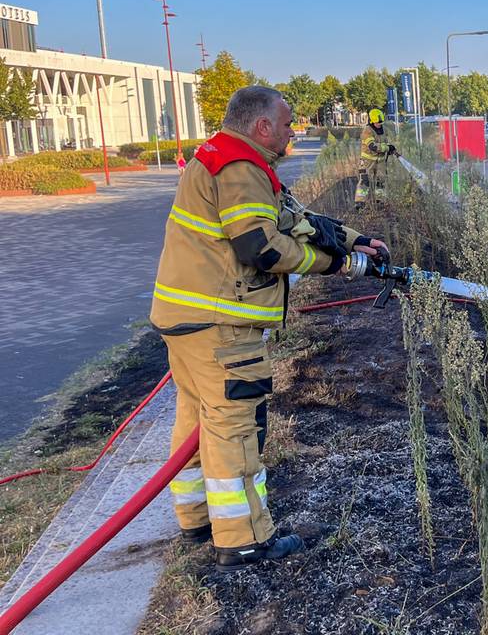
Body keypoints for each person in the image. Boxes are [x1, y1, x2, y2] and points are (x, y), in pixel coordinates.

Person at [150, 85, 389, 571]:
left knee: (198, 423)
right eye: (286, 124)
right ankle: (243, 538)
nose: (291, 131)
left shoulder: (227, 159)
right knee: (234, 429)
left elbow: (295, 219)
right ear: (261, 126)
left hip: (191, 321)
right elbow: (262, 247)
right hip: (222, 324)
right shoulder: (239, 170)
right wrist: (337, 265)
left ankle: (197, 519)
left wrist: (355, 239)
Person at [356, 108, 398, 204]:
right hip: (367, 162)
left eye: (380, 123)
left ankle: (380, 201)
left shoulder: (383, 130)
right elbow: (373, 146)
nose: (379, 125)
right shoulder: (367, 131)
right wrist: (387, 148)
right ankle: (360, 203)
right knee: (365, 182)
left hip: (381, 162)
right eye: (377, 123)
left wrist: (391, 149)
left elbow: (385, 142)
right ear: (371, 121)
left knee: (381, 182)